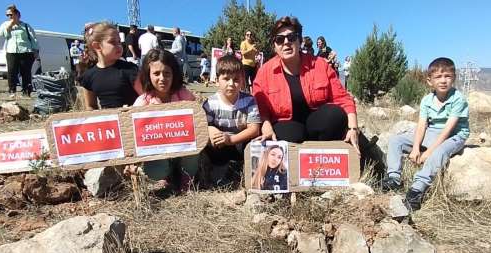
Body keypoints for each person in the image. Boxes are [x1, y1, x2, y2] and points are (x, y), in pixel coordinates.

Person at [252, 16, 362, 156]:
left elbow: (343, 98)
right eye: (280, 39)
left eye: (291, 37)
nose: (286, 43)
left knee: (335, 115)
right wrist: (266, 125)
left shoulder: (320, 64)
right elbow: (260, 107)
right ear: (274, 46)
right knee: (289, 135)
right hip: (288, 124)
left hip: (316, 122)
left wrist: (353, 128)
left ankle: (325, 157)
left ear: (299, 40)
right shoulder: (264, 72)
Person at [382, 57, 469, 211]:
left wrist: (428, 151)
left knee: (439, 152)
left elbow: (448, 129)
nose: (443, 81)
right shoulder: (427, 100)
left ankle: (417, 189)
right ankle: (394, 178)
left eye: (447, 76)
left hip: (454, 134)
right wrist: (416, 148)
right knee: (396, 140)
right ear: (430, 81)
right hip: (433, 131)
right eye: (438, 77)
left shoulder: (458, 99)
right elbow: (422, 125)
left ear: (453, 78)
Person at [132, 49, 198, 191]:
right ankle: (165, 176)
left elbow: (197, 121)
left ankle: (187, 179)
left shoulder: (184, 95)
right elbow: (134, 134)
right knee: (156, 171)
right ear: (148, 75)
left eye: (167, 73)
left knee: (194, 150)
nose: (162, 78)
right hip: (157, 152)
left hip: (183, 150)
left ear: (174, 74)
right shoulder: (142, 102)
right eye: (156, 73)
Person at [202, 55, 261, 187]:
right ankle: (217, 169)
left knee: (253, 145)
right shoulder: (210, 103)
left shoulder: (249, 101)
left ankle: (246, 171)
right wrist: (213, 132)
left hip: (239, 142)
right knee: (210, 142)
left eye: (236, 80)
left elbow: (254, 129)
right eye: (226, 79)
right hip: (220, 144)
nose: (231, 84)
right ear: (217, 80)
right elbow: (205, 125)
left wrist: (231, 140)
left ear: (242, 81)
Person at [80, 22, 139, 110]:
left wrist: (133, 108)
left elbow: (145, 96)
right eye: (112, 42)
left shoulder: (130, 69)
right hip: (110, 122)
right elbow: (90, 106)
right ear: (97, 46)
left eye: (119, 41)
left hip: (132, 119)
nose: (119, 46)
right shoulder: (88, 76)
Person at [0, 4, 39, 96]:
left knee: (25, 72)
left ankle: (26, 91)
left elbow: (33, 38)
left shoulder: (25, 26)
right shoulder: (5, 24)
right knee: (12, 71)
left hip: (26, 51)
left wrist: (35, 50)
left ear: (17, 14)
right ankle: (12, 90)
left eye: (11, 14)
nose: (9, 17)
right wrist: (11, 25)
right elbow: (3, 34)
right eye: (7, 15)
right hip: (11, 51)